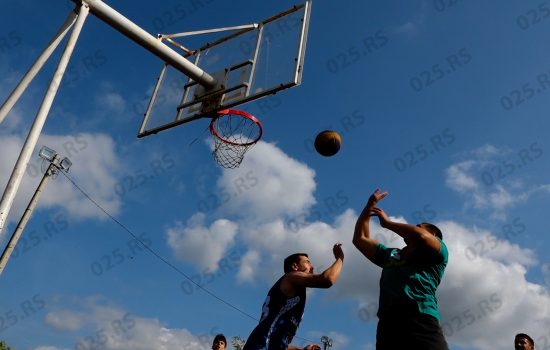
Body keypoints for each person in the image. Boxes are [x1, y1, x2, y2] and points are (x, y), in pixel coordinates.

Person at [353, 189, 449, 350]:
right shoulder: (391, 254)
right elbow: (360, 239)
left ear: (435, 236)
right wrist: (369, 206)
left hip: (420, 318)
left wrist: (387, 224)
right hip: (388, 323)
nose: (414, 228)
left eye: (420, 227)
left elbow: (423, 237)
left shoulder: (438, 252)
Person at [243, 244, 344, 350]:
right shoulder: (291, 277)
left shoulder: (294, 295)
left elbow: (280, 343)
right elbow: (327, 279)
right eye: (307, 262)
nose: (312, 267)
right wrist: (340, 258)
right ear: (295, 267)